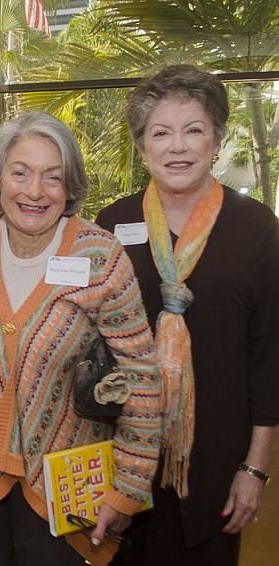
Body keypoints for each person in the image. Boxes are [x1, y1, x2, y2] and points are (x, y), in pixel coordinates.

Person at [0, 111, 162, 566]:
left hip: (61, 487)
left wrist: (128, 486)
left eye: (53, 177)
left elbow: (143, 378)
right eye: (20, 173)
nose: (33, 191)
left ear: (70, 188)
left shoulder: (100, 255)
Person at [96, 65, 279, 566]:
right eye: (161, 132)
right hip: (127, 451)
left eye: (193, 130)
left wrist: (255, 469)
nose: (177, 146)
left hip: (220, 456)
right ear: (142, 147)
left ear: (216, 140)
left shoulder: (257, 229)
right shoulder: (113, 223)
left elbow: (269, 360)